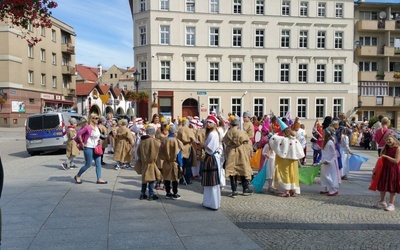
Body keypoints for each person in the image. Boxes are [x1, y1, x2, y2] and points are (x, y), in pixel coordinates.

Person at [269, 119, 304, 197]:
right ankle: (292, 189)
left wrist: (276, 133)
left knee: (285, 173)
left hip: (285, 160)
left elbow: (273, 139)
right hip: (293, 160)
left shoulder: (284, 140)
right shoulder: (295, 140)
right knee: (292, 173)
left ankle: (287, 190)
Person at [223, 115, 253, 197]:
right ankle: (245, 189)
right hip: (240, 153)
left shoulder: (228, 133)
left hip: (231, 153)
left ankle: (234, 190)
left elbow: (225, 141)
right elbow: (246, 140)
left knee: (232, 171)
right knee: (243, 170)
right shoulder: (241, 132)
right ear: (238, 124)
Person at [74, 113, 108, 184]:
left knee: (98, 163)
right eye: (96, 118)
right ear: (91, 119)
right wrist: (81, 143)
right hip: (88, 147)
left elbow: (98, 136)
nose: (97, 119)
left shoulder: (97, 127)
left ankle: (99, 179)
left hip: (96, 147)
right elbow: (79, 133)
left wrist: (99, 140)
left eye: (98, 118)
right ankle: (77, 176)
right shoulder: (88, 127)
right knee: (88, 164)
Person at [199, 115, 222, 210]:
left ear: (214, 124)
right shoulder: (212, 133)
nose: (208, 124)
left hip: (211, 158)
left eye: (210, 122)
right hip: (211, 157)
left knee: (212, 181)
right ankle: (208, 202)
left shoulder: (213, 134)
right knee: (210, 182)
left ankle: (213, 203)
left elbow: (210, 147)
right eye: (207, 122)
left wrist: (202, 144)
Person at [375, 133, 400, 211]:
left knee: (392, 186)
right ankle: (382, 201)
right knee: (383, 185)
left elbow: (396, 161)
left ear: (393, 139)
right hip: (385, 169)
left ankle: (391, 204)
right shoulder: (385, 148)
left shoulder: (398, 148)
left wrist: (386, 156)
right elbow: (380, 159)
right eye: (386, 140)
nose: (388, 141)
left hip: (393, 169)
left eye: (389, 139)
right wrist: (375, 168)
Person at [159, 124, 183, 200]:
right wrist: (181, 164)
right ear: (175, 132)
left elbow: (160, 152)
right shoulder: (177, 141)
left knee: (167, 178)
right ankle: (175, 193)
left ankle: (168, 193)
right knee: (175, 178)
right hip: (174, 162)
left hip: (166, 162)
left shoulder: (164, 140)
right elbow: (178, 154)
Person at [137, 126, 162, 200]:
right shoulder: (152, 140)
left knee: (144, 178)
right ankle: (151, 194)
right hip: (151, 162)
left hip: (144, 162)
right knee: (151, 178)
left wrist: (141, 159)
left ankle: (142, 193)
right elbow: (158, 146)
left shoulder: (142, 141)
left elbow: (138, 151)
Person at [320, 127, 341, 196]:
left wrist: (328, 161)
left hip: (328, 161)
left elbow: (333, 153)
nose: (322, 134)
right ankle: (325, 188)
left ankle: (333, 189)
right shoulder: (326, 142)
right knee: (323, 175)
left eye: (324, 133)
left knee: (327, 175)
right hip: (324, 160)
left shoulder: (330, 142)